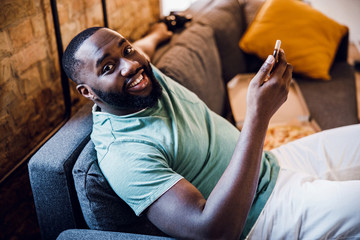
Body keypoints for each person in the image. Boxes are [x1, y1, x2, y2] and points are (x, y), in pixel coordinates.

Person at [62, 25, 360, 239]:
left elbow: (136, 50)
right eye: (108, 67)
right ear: (88, 92)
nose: (130, 65)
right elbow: (212, 231)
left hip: (272, 164)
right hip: (262, 215)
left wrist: (158, 33)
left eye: (127, 50)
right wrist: (258, 115)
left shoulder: (141, 73)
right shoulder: (124, 153)